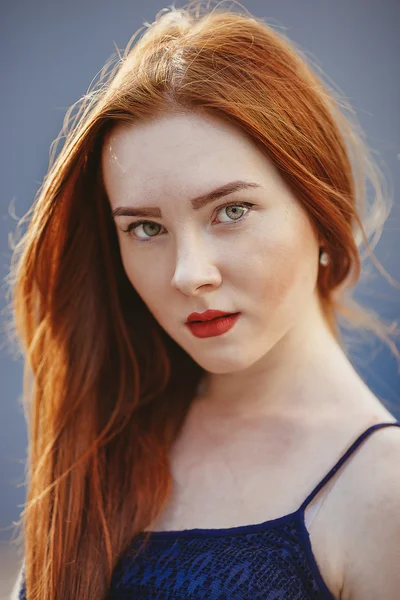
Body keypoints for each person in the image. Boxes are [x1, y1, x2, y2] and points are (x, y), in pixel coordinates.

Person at [8, 1, 400, 599]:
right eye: (145, 227)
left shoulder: (384, 492)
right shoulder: (106, 425)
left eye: (231, 212)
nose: (189, 275)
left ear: (321, 210)